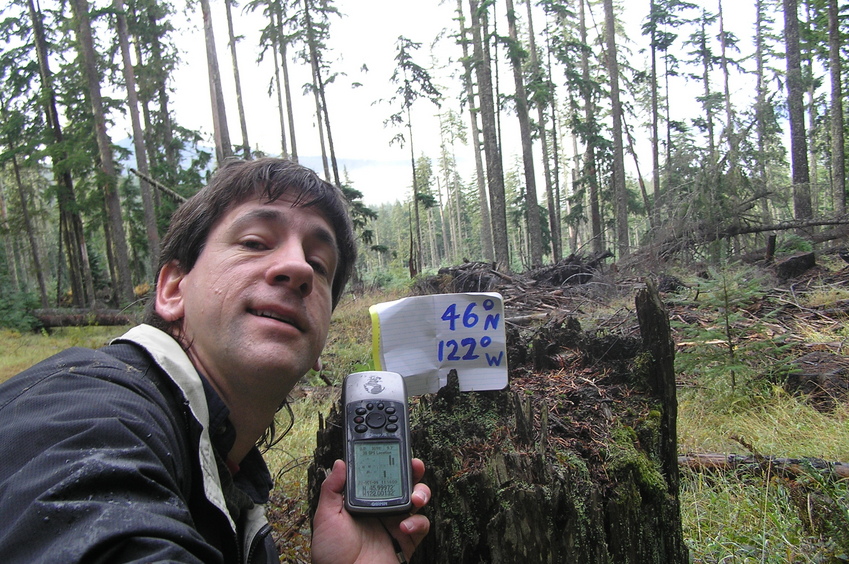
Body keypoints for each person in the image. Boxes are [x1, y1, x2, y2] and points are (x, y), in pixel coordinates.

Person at [0, 158, 430, 563]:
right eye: (254, 242)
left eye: (318, 265)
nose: (297, 268)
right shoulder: (85, 411)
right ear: (172, 289)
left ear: (321, 341)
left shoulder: (230, 482)